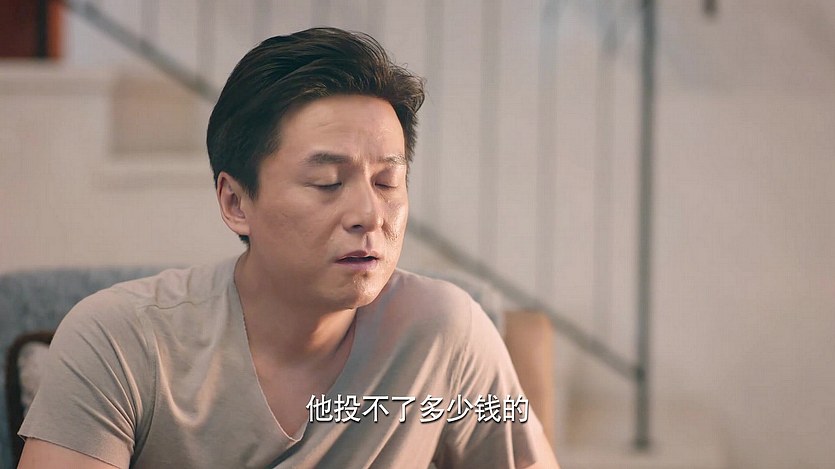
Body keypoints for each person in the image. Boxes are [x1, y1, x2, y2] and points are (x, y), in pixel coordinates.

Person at [17, 28, 559, 468]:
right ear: (235, 202)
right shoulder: (121, 339)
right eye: (327, 182)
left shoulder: (443, 332)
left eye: (387, 182)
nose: (369, 214)